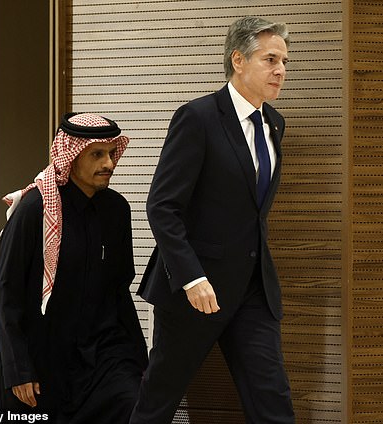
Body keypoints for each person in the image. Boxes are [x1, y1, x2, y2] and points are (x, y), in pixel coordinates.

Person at [130, 16, 294, 423]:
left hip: (253, 291)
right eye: (270, 59)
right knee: (158, 401)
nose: (281, 70)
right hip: (194, 291)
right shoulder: (198, 118)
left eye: (285, 61)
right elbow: (162, 206)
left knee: (272, 399)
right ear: (238, 60)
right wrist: (191, 277)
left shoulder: (274, 123)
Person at [0, 113, 148, 423]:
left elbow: (119, 290)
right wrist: (18, 368)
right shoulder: (35, 209)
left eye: (111, 153)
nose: (109, 164)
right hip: (39, 357)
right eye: (97, 155)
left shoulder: (116, 210)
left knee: (134, 404)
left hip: (101, 357)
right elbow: (7, 293)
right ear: (72, 157)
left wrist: (138, 360)